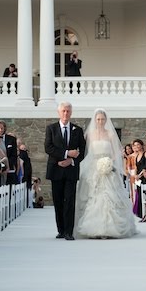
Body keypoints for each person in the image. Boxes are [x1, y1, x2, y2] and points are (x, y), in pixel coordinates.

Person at [75, 109, 137, 239]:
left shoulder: (110, 134)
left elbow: (116, 152)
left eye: (102, 119)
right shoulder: (89, 134)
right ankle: (93, 228)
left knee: (109, 196)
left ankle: (110, 228)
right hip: (93, 167)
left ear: (106, 120)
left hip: (108, 166)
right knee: (93, 196)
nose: (100, 121)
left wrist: (110, 162)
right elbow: (85, 152)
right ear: (95, 120)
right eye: (98, 119)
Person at [44, 101, 86, 240]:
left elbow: (82, 151)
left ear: (71, 113)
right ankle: (61, 230)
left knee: (69, 201)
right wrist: (67, 154)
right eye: (63, 111)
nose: (66, 113)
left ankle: (69, 231)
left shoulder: (77, 130)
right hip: (56, 169)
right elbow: (48, 148)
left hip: (71, 171)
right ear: (59, 112)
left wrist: (71, 160)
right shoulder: (51, 128)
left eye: (68, 111)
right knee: (58, 201)